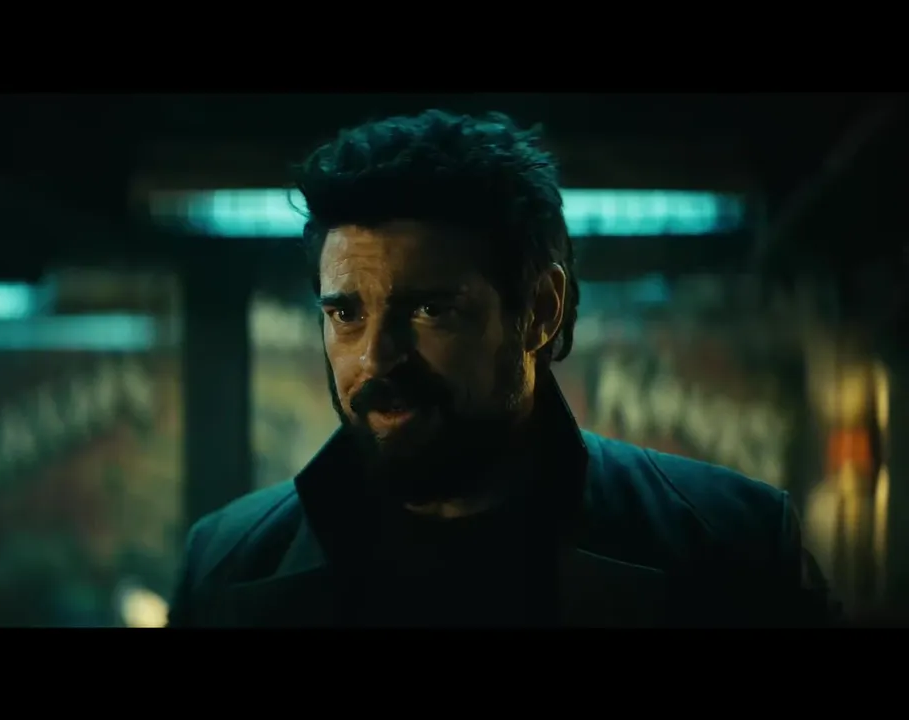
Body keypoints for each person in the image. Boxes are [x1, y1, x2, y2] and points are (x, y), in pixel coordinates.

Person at [166, 109, 841, 627]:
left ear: (540, 311)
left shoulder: (731, 546)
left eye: (430, 310)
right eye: (346, 313)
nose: (375, 357)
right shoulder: (228, 562)